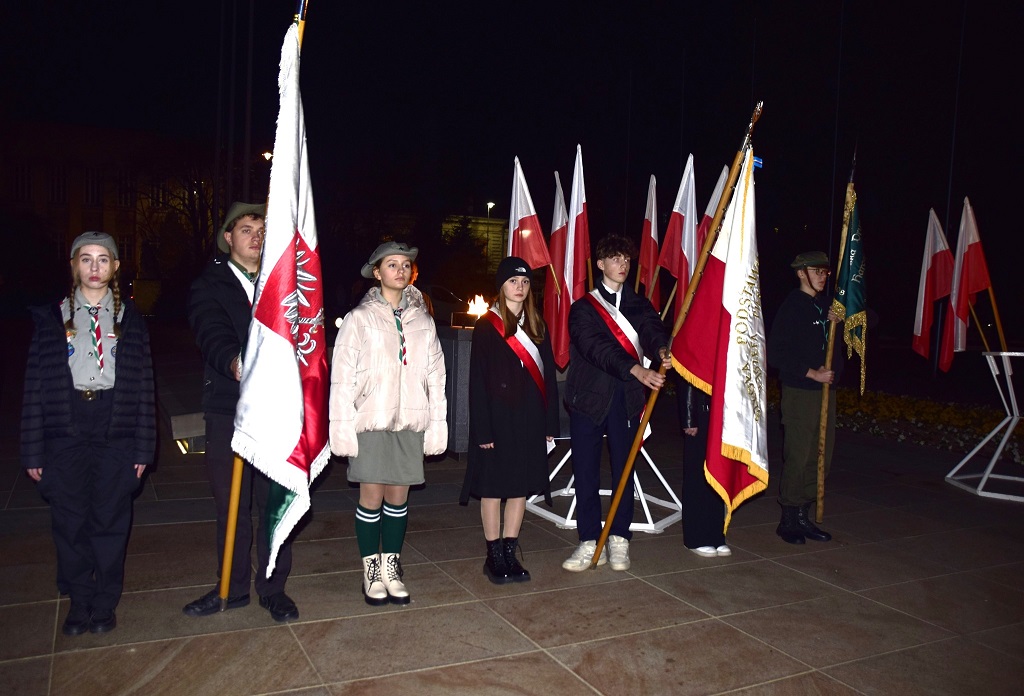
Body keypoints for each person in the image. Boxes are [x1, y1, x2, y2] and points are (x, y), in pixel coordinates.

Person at [21, 231, 155, 635]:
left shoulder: (130, 320)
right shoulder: (51, 318)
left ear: (115, 266)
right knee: (70, 521)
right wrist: (32, 452)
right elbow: (34, 386)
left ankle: (104, 601)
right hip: (66, 426)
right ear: (74, 265)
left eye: (103, 259)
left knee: (110, 520)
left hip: (116, 426)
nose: (94, 267)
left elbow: (146, 386)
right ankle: (79, 601)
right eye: (86, 259)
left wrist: (144, 446)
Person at [182, 202, 300, 622]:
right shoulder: (209, 284)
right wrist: (236, 362)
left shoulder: (284, 284)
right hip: (228, 409)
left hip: (277, 412)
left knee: (274, 503)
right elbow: (210, 331)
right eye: (246, 229)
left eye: (261, 230)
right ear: (228, 237)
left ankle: (273, 587)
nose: (256, 237)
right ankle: (230, 588)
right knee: (231, 505)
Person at [330, 241, 447, 605]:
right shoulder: (358, 319)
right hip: (372, 422)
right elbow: (342, 377)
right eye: (391, 264)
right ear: (377, 273)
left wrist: (436, 425)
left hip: (409, 423)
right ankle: (371, 571)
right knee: (371, 498)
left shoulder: (424, 322)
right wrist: (342, 426)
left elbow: (436, 378)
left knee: (398, 498)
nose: (400, 270)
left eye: (405, 264)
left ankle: (391, 566)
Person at [562, 235, 672, 572]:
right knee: (585, 472)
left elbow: (652, 330)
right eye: (615, 259)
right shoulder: (583, 308)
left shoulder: (640, 305)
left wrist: (662, 350)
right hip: (588, 401)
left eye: (626, 259)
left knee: (625, 470)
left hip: (626, 401)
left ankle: (620, 538)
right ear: (600, 264)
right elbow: (595, 347)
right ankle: (588, 539)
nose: (622, 265)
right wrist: (636, 368)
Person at [460, 257, 559, 584]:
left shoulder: (537, 325)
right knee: (493, 489)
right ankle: (492, 555)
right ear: (501, 286)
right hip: (498, 421)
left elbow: (548, 380)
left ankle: (510, 551)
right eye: (513, 281)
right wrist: (483, 429)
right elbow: (478, 381)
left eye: (525, 282)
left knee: (519, 488)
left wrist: (550, 426)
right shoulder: (487, 325)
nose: (520, 287)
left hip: (530, 420)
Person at [767, 251, 843, 545]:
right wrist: (811, 373)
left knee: (821, 455)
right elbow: (776, 354)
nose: (823, 277)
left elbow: (871, 317)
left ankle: (804, 515)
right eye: (817, 271)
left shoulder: (825, 306)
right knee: (799, 454)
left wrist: (842, 316)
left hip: (826, 392)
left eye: (826, 272)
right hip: (802, 392)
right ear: (801, 273)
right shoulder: (792, 307)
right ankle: (788, 518)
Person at [677, 382, 730, 557]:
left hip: (721, 407)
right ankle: (695, 537)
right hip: (700, 409)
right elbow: (688, 368)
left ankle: (716, 534)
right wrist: (689, 415)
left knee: (717, 473)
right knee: (697, 473)